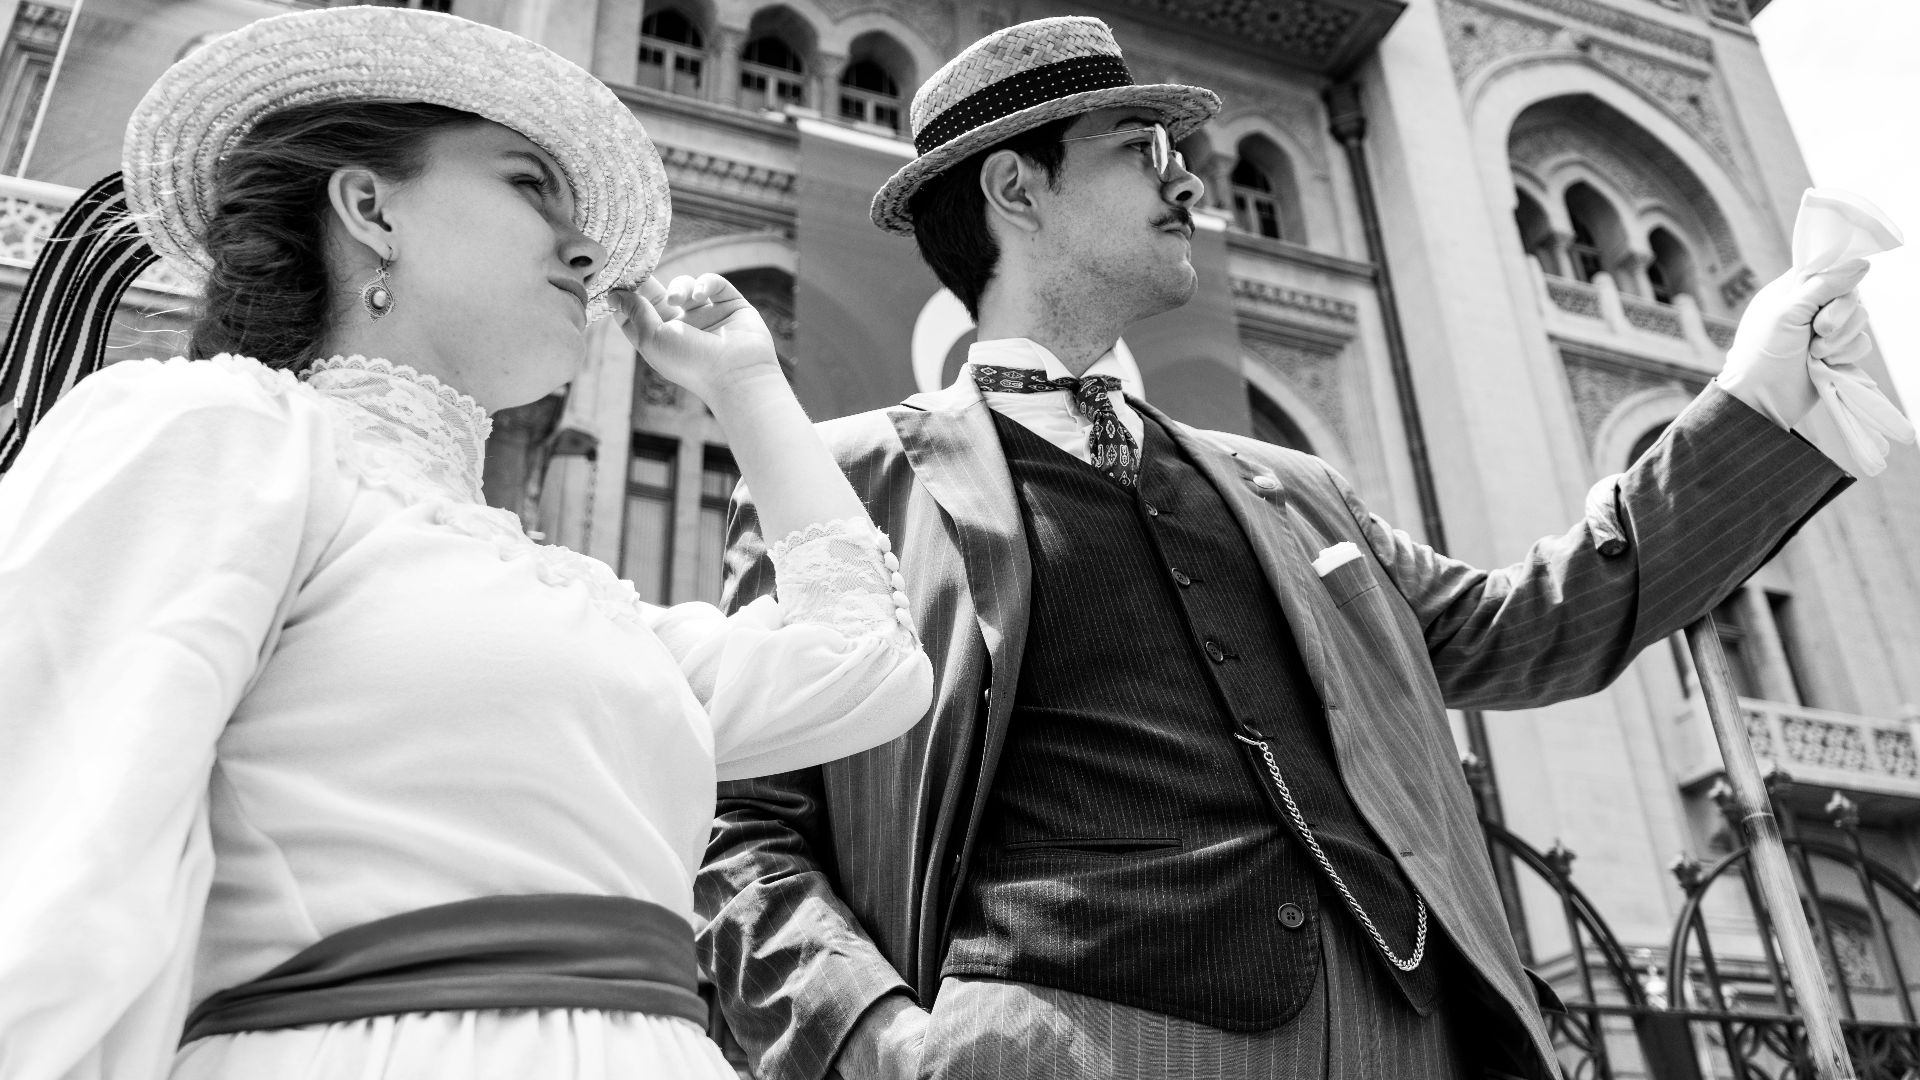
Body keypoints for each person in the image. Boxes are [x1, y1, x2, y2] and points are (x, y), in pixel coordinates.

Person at [695, 16, 1887, 1080]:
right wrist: (873, 1043)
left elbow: (1534, 622)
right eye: (1142, 151)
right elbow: (747, 824)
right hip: (1066, 1036)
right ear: (1017, 186)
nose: (1190, 186)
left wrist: (1755, 403)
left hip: (1398, 1023)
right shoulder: (847, 481)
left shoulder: (1291, 486)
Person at [0, 7, 930, 1079]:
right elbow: (47, 872)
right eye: (529, 184)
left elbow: (867, 671)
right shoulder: (223, 432)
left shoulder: (564, 595)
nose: (585, 245)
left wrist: (749, 388)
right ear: (369, 206)